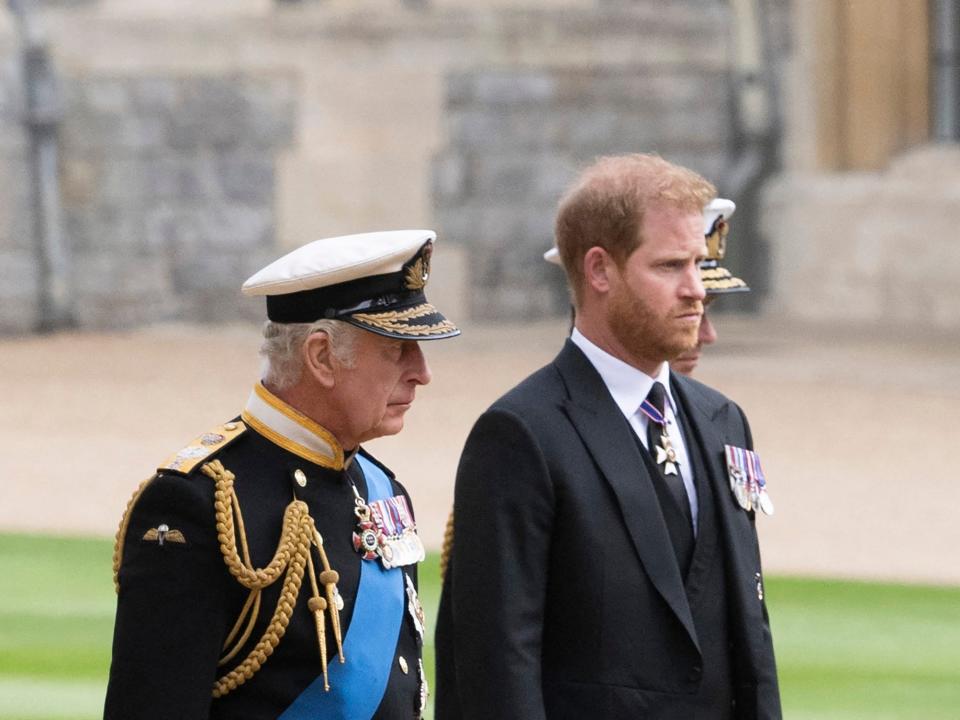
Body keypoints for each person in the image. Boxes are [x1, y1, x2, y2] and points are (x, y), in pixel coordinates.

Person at [435, 154, 779, 719]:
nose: (696, 289)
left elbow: (749, 634)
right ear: (599, 271)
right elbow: (497, 666)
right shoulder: (522, 434)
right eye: (670, 266)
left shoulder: (723, 421)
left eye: (698, 263)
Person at [105, 229, 459, 720]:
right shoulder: (198, 502)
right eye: (398, 349)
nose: (422, 372)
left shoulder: (381, 489)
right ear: (321, 357)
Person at [543, 197, 749, 376]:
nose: (708, 335)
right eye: (683, 305)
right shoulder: (533, 418)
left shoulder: (710, 414)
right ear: (600, 273)